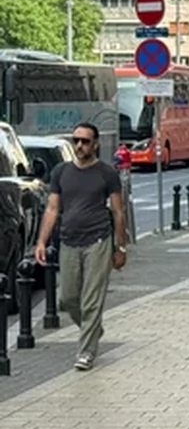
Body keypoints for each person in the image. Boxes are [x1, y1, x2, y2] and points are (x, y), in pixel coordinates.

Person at [34, 122, 127, 371]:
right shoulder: (61, 172)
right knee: (68, 299)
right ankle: (92, 327)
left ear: (95, 143)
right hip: (69, 241)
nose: (80, 145)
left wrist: (121, 248)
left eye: (85, 141)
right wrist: (41, 241)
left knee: (91, 300)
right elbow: (53, 208)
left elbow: (118, 212)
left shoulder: (106, 173)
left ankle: (86, 352)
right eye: (76, 140)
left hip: (98, 240)